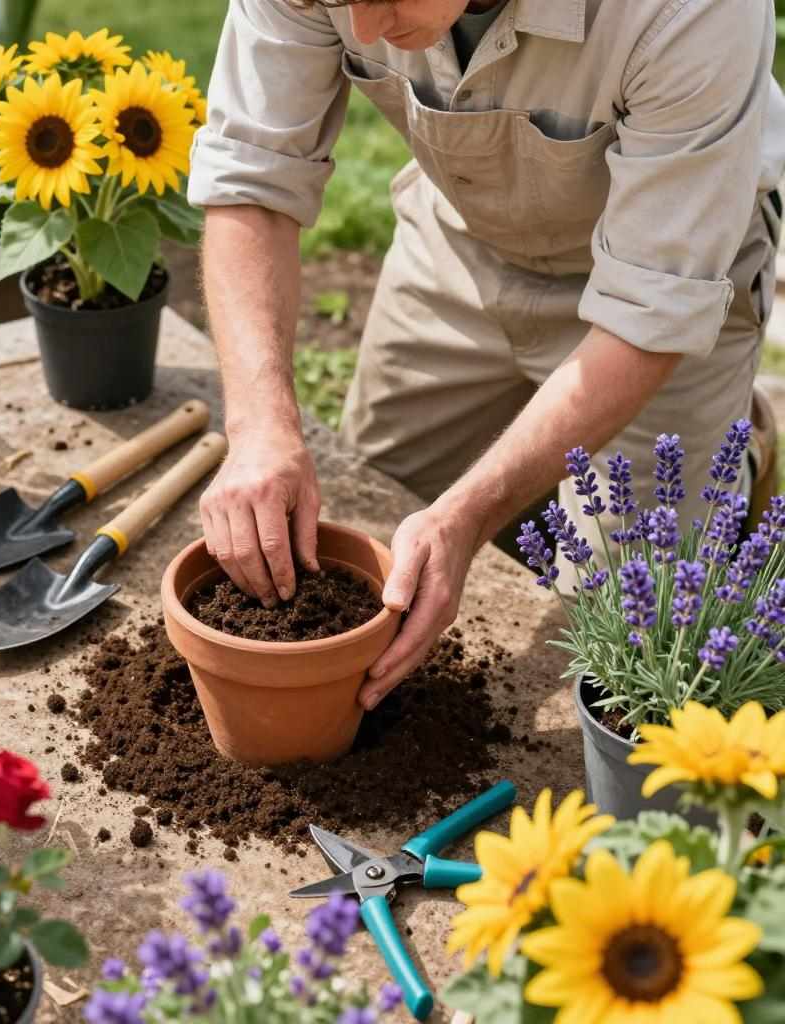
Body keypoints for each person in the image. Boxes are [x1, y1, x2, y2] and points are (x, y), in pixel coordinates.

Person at [188, 0, 785, 710]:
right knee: (370, 527)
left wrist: (467, 516)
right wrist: (259, 432)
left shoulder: (692, 10)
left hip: (665, 274)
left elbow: (648, 312)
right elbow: (250, 177)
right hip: (462, 239)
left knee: (631, 651)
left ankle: (735, 452)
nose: (367, 29)